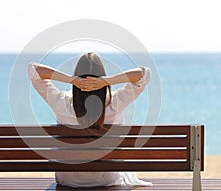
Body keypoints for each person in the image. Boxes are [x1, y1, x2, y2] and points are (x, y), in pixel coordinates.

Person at [27, 52, 152, 188]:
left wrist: (71, 80)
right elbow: (144, 74)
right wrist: (107, 81)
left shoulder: (61, 103)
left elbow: (33, 70)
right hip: (107, 179)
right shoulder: (115, 103)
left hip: (69, 180)